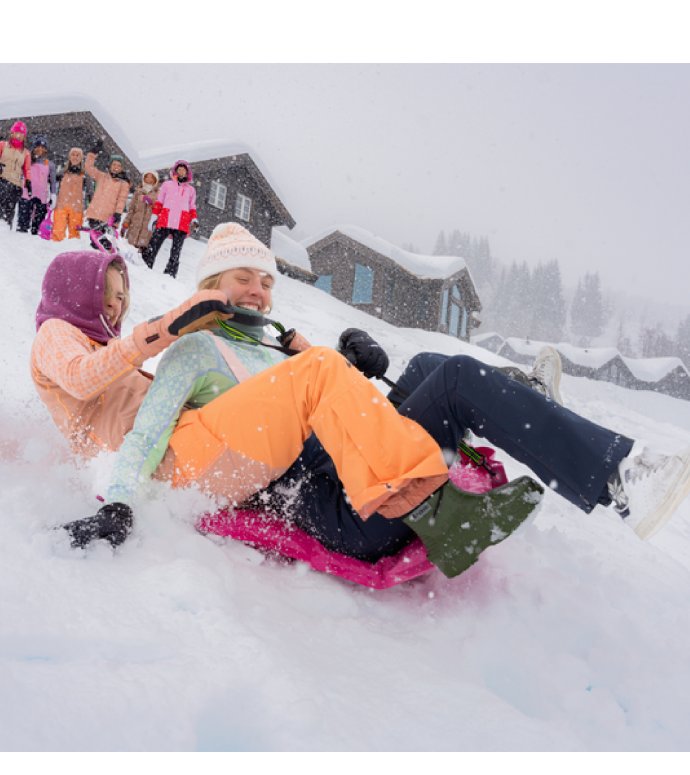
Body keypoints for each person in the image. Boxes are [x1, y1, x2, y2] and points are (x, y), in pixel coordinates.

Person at [38, 223, 690, 578]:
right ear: (210, 288)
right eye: (242, 281)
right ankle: (443, 499)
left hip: (352, 475)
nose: (258, 293)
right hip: (338, 505)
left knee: (444, 369)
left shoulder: (280, 354)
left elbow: (318, 407)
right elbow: (153, 432)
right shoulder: (193, 351)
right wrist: (119, 501)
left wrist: (374, 377)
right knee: (337, 371)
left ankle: (614, 468)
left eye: (265, 282)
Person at [141, 160, 197, 278]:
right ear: (175, 171)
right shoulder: (167, 184)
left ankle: (170, 273)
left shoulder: (191, 190)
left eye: (183, 170)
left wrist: (194, 219)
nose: (181, 171)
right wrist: (154, 216)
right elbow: (160, 202)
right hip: (165, 218)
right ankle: (146, 264)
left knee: (176, 251)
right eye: (179, 169)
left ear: (187, 173)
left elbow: (192, 206)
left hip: (182, 222)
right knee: (154, 243)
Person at [84, 138, 130, 249]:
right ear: (110, 165)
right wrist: (93, 152)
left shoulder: (123, 183)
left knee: (100, 241)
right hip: (94, 213)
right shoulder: (101, 176)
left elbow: (121, 199)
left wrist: (118, 214)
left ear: (121, 168)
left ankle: (110, 254)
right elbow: (88, 167)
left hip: (108, 217)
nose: (116, 167)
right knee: (95, 239)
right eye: (114, 165)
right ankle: (105, 254)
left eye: (119, 166)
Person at [17, 135, 57, 235]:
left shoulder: (50, 164)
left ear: (46, 150)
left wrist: (53, 194)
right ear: (34, 147)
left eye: (43, 147)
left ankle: (35, 241)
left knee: (38, 226)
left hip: (41, 196)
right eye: (38, 146)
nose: (40, 149)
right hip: (27, 193)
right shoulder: (27, 159)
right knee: (23, 222)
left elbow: (52, 181)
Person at [0, 121, 31, 227]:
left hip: (15, 184)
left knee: (9, 210)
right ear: (12, 133)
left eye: (21, 134)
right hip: (2, 179)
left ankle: (6, 229)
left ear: (24, 136)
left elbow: (27, 169)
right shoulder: (2, 145)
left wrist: (28, 180)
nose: (18, 136)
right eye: (16, 132)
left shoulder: (26, 153)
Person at [52, 147, 86, 242]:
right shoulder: (63, 171)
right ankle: (55, 249)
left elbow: (90, 192)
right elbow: (52, 181)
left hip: (77, 208)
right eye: (73, 154)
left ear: (81, 158)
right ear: (69, 157)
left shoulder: (85, 175)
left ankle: (72, 251)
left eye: (78, 155)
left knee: (74, 233)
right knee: (58, 231)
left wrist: (88, 206)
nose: (75, 157)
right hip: (61, 205)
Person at [122, 170, 159, 249]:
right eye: (147, 176)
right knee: (129, 250)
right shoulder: (138, 191)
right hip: (135, 225)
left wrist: (151, 202)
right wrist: (126, 222)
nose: (149, 179)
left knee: (141, 252)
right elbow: (132, 209)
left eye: (151, 177)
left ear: (155, 179)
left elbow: (159, 209)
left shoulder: (158, 193)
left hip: (147, 227)